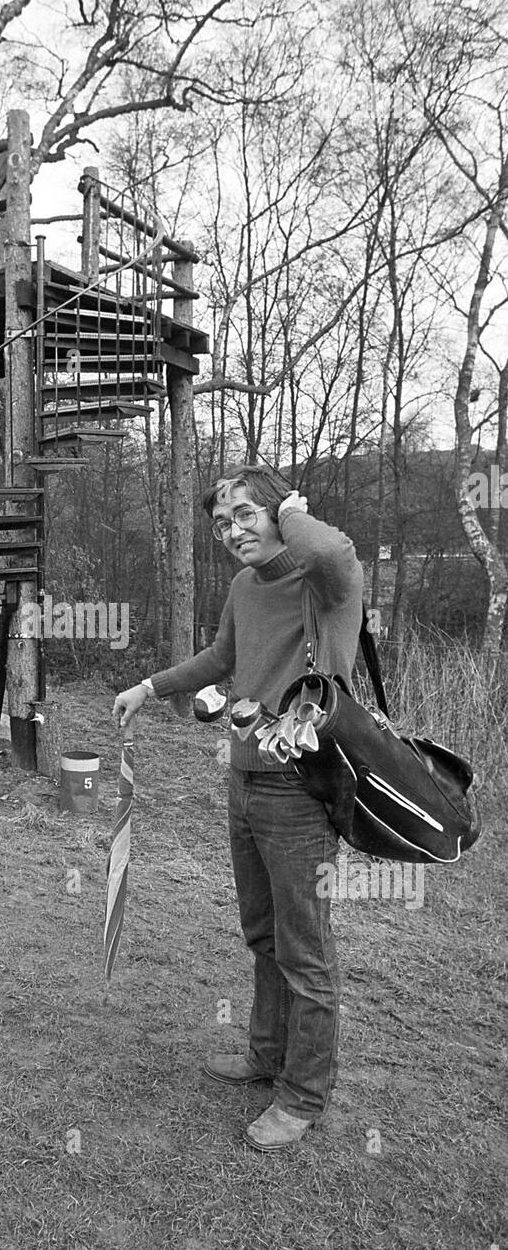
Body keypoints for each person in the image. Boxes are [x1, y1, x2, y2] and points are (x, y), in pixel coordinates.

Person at [112, 464, 363, 1151]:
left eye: (246, 515)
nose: (232, 531)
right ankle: (267, 1053)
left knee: (304, 949)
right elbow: (221, 656)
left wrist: (295, 514)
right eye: (222, 523)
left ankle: (304, 1094)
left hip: (303, 794)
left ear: (280, 514)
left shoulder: (326, 582)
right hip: (245, 779)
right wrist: (148, 685)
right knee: (262, 934)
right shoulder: (245, 587)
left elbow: (333, 550)